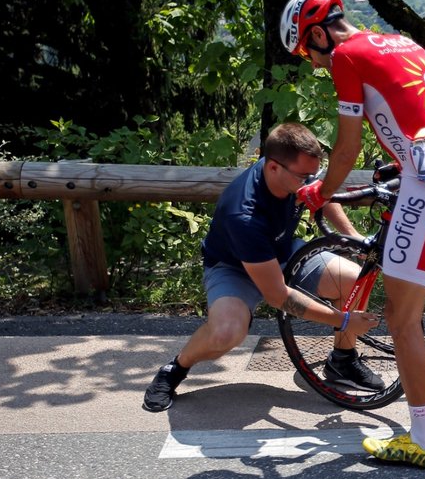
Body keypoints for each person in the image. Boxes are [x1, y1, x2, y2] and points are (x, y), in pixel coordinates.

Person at [280, 0, 425, 469]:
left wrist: (322, 190)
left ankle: (421, 439)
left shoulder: (345, 57)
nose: (313, 64)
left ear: (318, 35)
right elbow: (418, 115)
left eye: (306, 51)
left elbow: (347, 147)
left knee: (403, 321)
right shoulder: (401, 41)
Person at [141, 122, 382, 412]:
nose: (311, 181)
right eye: (305, 176)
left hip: (280, 252)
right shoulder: (243, 214)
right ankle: (175, 368)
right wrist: (342, 320)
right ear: (272, 168)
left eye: (315, 173)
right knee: (227, 332)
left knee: (353, 279)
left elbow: (322, 194)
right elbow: (278, 297)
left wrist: (352, 239)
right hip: (234, 268)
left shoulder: (290, 171)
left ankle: (342, 359)